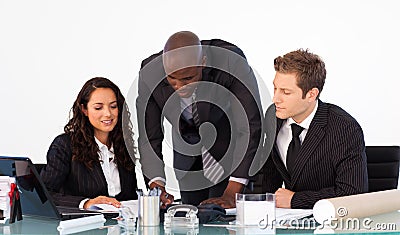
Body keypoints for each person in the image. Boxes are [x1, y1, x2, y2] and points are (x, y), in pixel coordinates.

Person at [136, 31, 263, 208]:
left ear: (203, 62)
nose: (180, 87)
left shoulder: (230, 61)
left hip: (231, 158)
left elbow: (250, 126)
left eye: (188, 78)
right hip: (187, 162)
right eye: (172, 79)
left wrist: (233, 190)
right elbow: (149, 137)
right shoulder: (150, 74)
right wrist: (157, 187)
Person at [261, 49, 368, 209]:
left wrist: (295, 200)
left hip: (332, 223)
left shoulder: (344, 128)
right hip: (284, 222)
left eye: (286, 92)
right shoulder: (273, 116)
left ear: (311, 94)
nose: (275, 98)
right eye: (275, 88)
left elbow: (353, 192)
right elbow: (269, 177)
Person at [41, 77, 137, 209]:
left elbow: (130, 197)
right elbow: (44, 195)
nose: (108, 114)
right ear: (84, 109)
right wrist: (85, 203)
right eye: (98, 108)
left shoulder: (123, 145)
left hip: (120, 225)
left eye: (113, 106)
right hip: (81, 225)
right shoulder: (65, 145)